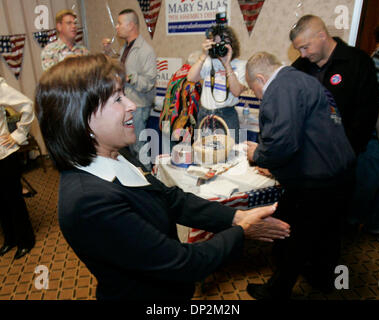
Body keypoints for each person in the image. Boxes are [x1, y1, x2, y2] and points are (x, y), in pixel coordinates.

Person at [36, 53, 291, 300]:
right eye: (117, 99)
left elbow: (170, 199)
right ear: (82, 119)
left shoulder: (118, 153)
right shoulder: (88, 201)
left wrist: (236, 216)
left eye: (125, 94)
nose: (131, 105)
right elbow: (182, 263)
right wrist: (241, 231)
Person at [245, 52, 355, 300]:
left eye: (254, 91)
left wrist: (258, 154)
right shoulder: (304, 80)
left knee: (295, 236)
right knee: (327, 234)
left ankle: (275, 291)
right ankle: (322, 279)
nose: (257, 96)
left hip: (316, 181)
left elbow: (282, 141)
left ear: (261, 79)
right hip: (339, 171)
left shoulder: (280, 88)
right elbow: (305, 135)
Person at [290, 15, 379, 157]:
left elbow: (367, 113)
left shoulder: (357, 62)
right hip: (306, 155)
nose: (302, 55)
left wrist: (346, 150)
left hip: (344, 154)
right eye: (298, 50)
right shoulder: (299, 68)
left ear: (322, 36)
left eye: (305, 47)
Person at [349, 22, 379, 243]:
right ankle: (350, 225)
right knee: (368, 179)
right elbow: (369, 95)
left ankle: (377, 226)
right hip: (377, 133)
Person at [112, 9, 157, 168]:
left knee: (139, 147)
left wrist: (130, 76)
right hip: (126, 104)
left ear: (131, 25)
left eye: (119, 23)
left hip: (138, 105)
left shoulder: (145, 51)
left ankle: (149, 183)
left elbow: (149, 83)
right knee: (130, 148)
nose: (117, 27)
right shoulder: (126, 48)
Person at [187, 25, 247, 143]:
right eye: (217, 43)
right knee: (203, 155)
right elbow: (191, 77)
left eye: (224, 43)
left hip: (226, 115)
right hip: (205, 114)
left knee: (229, 156)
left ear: (232, 45)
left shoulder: (240, 65)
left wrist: (227, 65)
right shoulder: (208, 62)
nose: (220, 46)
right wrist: (204, 55)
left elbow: (236, 91)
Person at [0, 77, 35, 260]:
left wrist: (18, 134)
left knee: (13, 200)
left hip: (4, 154)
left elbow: (27, 105)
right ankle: (10, 239)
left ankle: (25, 241)